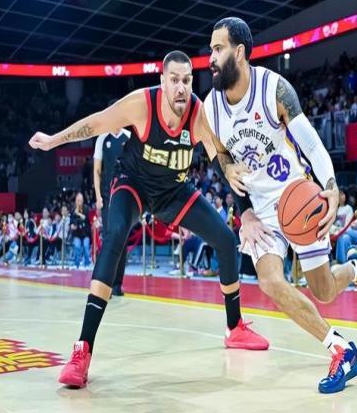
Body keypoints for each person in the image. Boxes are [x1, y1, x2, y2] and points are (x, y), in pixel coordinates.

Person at [29, 50, 269, 388]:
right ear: (162, 81)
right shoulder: (141, 104)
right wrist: (53, 140)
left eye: (187, 80)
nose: (181, 88)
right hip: (134, 184)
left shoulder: (198, 114)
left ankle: (235, 328)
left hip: (173, 191)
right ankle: (82, 350)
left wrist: (245, 211)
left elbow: (222, 162)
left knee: (227, 241)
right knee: (114, 238)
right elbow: (95, 123)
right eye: (174, 80)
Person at [203, 17, 357, 394]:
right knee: (270, 280)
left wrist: (330, 186)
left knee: (324, 289)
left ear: (239, 52)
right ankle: (341, 350)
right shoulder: (211, 107)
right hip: (261, 212)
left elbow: (312, 144)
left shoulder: (274, 89)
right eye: (210, 50)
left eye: (218, 49)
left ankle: (355, 269)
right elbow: (221, 156)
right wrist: (242, 205)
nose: (211, 58)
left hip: (296, 197)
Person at [93, 120, 131, 296]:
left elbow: (136, 167)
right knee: (109, 240)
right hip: (108, 196)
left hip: (125, 195)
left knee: (122, 239)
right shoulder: (102, 138)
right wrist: (98, 197)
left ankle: (117, 284)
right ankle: (103, 284)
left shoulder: (129, 137)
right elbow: (97, 170)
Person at [70, 192, 91, 270]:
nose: (79, 202)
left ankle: (87, 264)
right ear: (76, 201)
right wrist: (72, 226)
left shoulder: (86, 208)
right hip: (77, 233)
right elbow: (71, 222)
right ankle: (77, 264)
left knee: (86, 246)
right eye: (78, 200)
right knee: (77, 246)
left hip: (85, 233)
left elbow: (85, 218)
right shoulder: (73, 210)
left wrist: (78, 214)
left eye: (80, 200)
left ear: (83, 201)